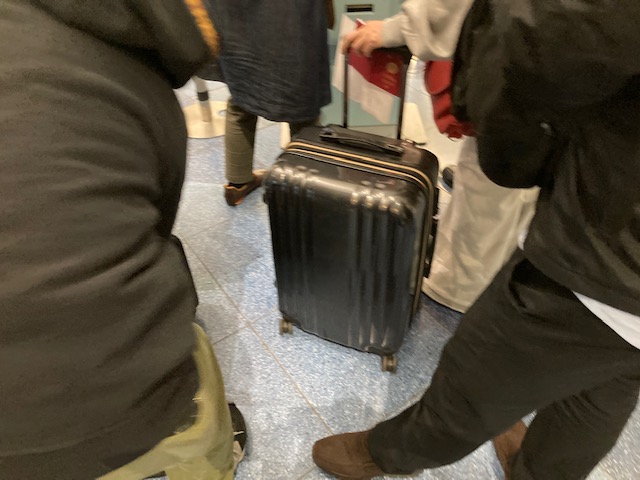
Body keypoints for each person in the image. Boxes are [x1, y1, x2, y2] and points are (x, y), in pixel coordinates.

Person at [313, 1, 640, 479]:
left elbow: (540, 42)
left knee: (472, 379)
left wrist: (507, 143)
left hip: (601, 257)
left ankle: (385, 454)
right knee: (599, 398)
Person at [0, 1, 243, 479]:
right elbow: (157, 220)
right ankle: (215, 456)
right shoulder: (124, 73)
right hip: (124, 399)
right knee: (192, 362)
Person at [342, 0, 539, 313]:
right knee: (530, 177)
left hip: (517, 63)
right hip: (560, 61)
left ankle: (458, 289)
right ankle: (512, 265)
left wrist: (398, 29)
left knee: (492, 183)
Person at [208, 0, 332, 206]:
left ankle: (237, 185)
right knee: (303, 107)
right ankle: (304, 188)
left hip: (233, 15)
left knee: (241, 99)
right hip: (290, 16)